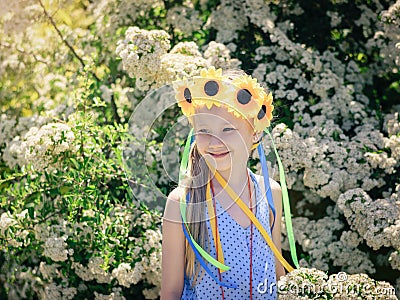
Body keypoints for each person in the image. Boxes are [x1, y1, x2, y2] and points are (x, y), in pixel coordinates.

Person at [161, 67, 294, 300]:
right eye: (204, 131)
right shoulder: (182, 203)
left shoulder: (270, 192)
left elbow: (276, 273)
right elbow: (171, 292)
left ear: (255, 133)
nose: (215, 142)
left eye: (228, 129)